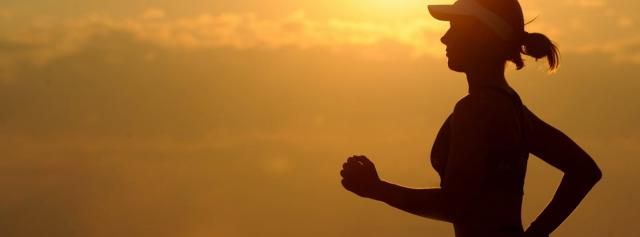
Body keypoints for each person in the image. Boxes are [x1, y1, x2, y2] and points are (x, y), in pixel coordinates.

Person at [339, 0, 603, 236]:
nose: (444, 38)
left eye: (455, 27)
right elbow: (584, 170)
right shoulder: (511, 106)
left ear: (483, 36)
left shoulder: (476, 109)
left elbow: (455, 205)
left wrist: (377, 190)